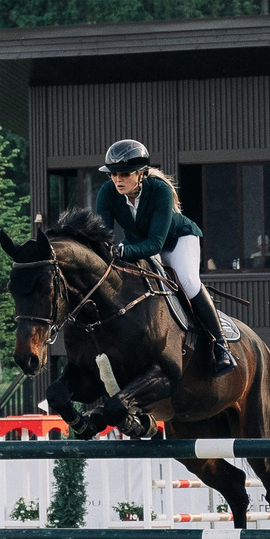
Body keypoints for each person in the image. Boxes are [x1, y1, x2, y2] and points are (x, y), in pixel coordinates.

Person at [93, 140, 235, 379]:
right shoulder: (107, 193)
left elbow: (156, 244)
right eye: (114, 174)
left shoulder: (159, 190)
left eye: (125, 174)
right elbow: (102, 235)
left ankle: (221, 346)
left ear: (141, 174)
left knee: (188, 281)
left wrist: (121, 251)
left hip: (177, 241)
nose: (118, 180)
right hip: (138, 243)